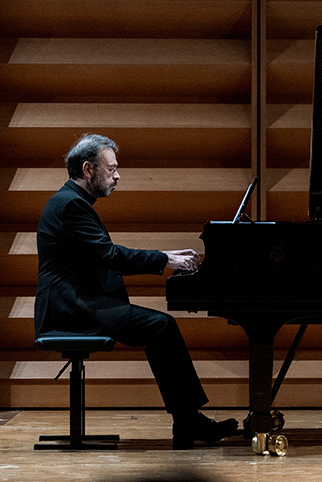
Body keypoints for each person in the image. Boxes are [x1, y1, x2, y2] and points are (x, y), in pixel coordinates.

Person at [34, 133, 238, 449]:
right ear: (88, 169)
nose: (117, 176)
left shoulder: (71, 201)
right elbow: (110, 255)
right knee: (161, 326)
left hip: (78, 303)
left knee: (161, 327)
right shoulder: (71, 205)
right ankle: (188, 422)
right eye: (111, 168)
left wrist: (165, 256)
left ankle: (188, 421)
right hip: (71, 309)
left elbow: (103, 256)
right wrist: (165, 259)